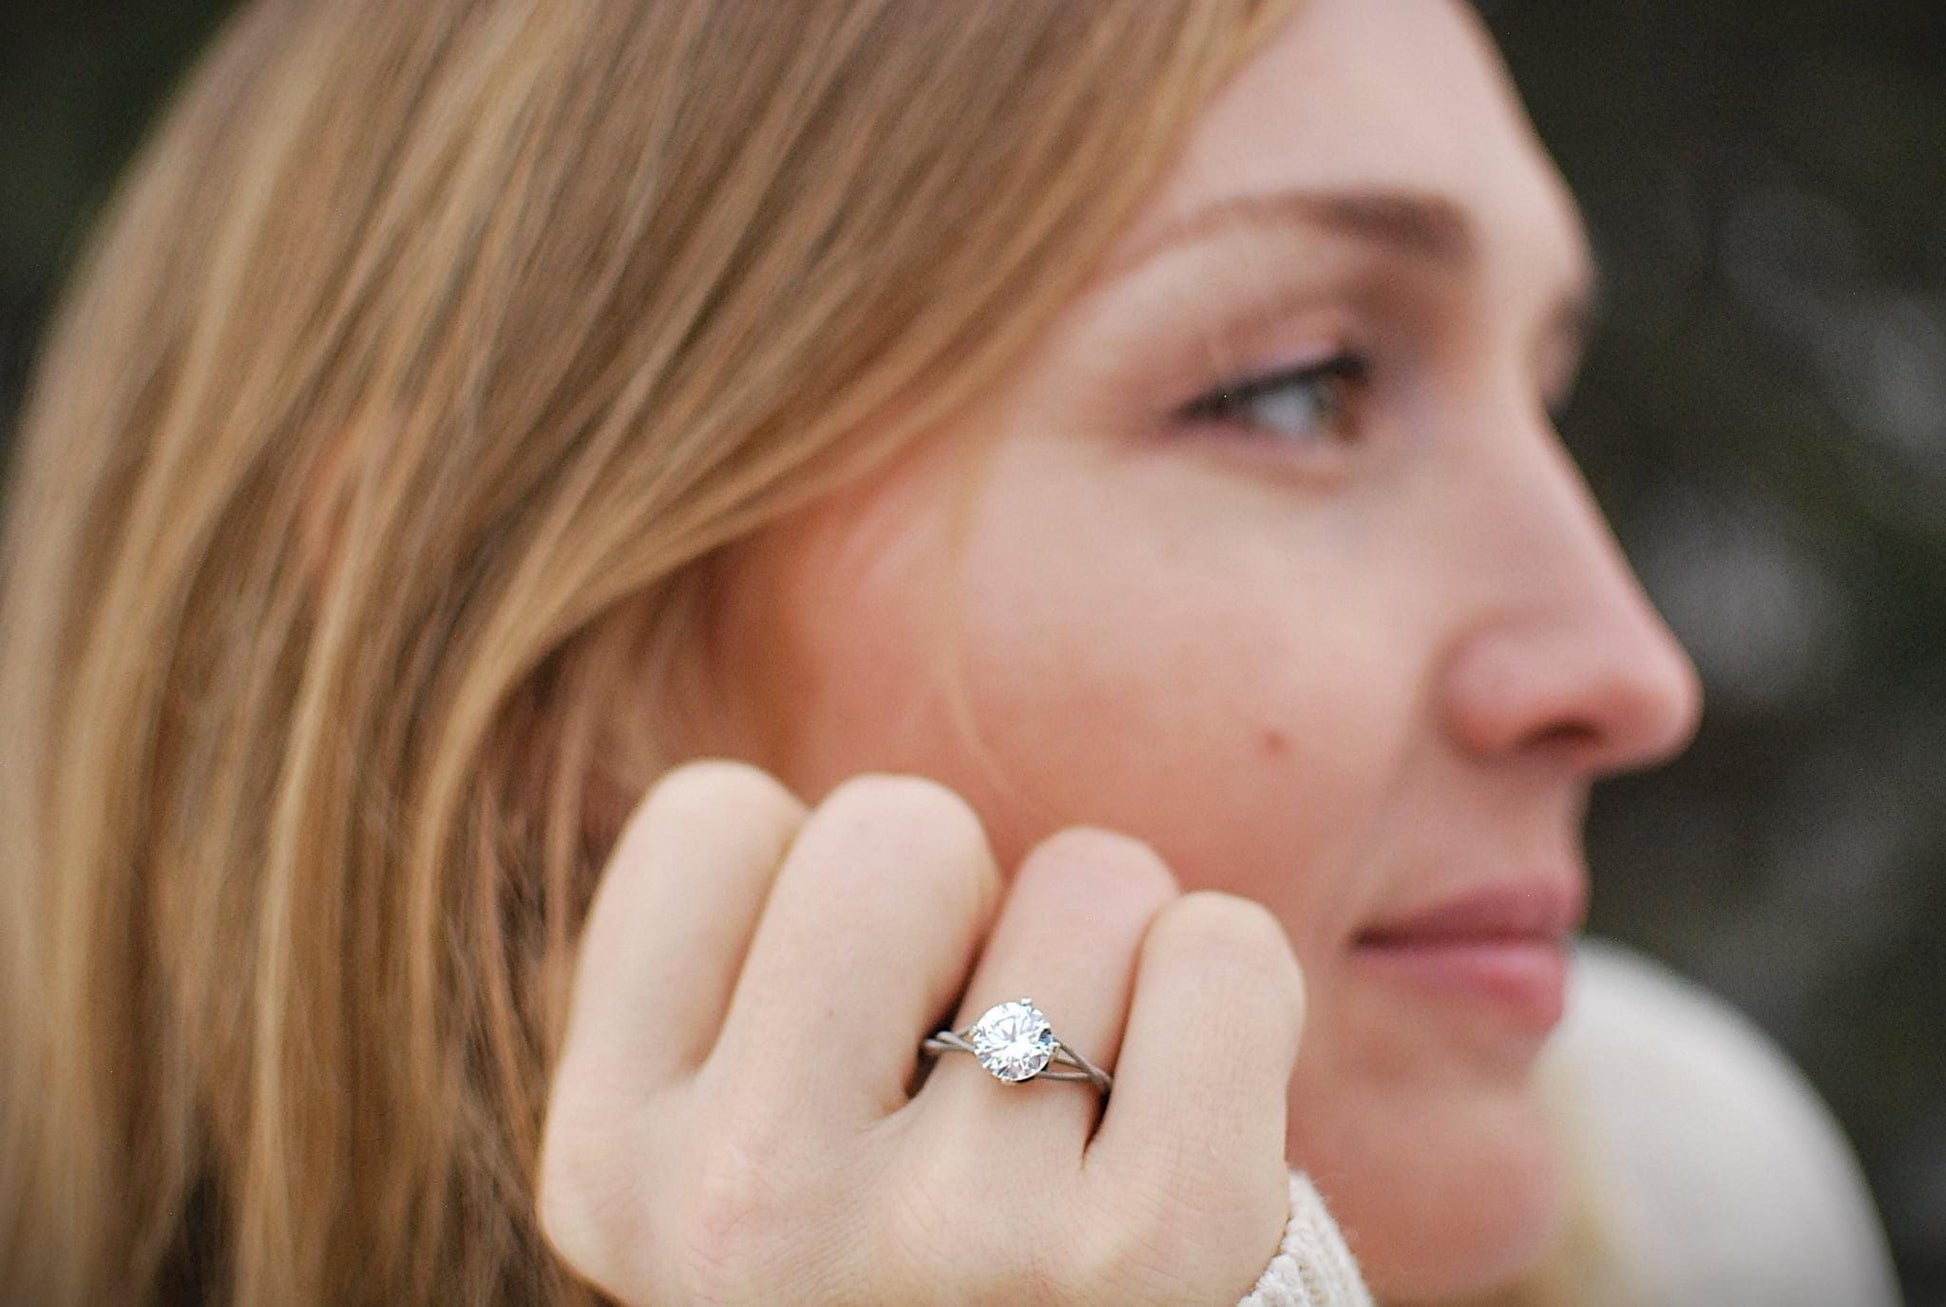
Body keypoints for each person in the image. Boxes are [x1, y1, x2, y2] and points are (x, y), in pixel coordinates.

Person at [0, 0, 1902, 1303]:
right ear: (528, 654)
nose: (1629, 668)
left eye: (1542, 386)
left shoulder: (1692, 1194)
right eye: (1301, 386)